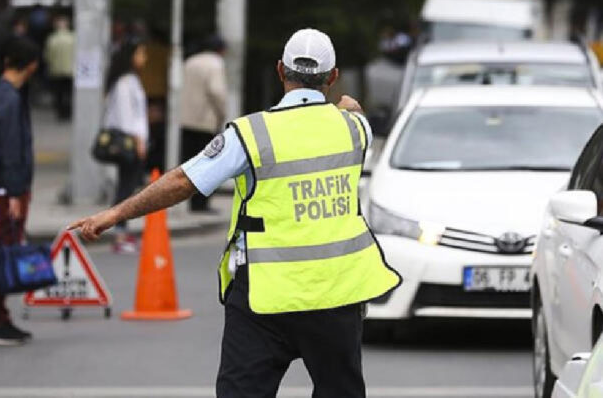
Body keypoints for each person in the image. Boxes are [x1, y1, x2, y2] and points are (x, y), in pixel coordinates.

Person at [68, 28, 401, 397]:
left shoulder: (250, 134)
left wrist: (114, 215)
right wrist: (347, 107)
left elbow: (182, 181)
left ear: (280, 70)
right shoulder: (355, 129)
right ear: (333, 76)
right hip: (338, 294)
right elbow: (350, 111)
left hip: (264, 296)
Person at [0, 37, 40, 346]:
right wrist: (16, 192)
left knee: (5, 247)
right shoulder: (9, 99)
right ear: (31, 66)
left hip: (1, 185)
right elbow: (11, 149)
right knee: (5, 250)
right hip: (7, 187)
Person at [102, 38, 149, 253]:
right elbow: (126, 117)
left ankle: (122, 230)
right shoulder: (124, 83)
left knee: (128, 186)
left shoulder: (130, 80)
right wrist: (138, 141)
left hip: (133, 141)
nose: (144, 58)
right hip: (129, 142)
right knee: (126, 188)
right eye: (140, 53)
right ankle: (119, 233)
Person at [179, 35, 227, 212]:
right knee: (208, 164)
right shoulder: (216, 63)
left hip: (186, 119)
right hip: (206, 121)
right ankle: (202, 204)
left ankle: (191, 201)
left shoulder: (190, 62)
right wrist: (221, 113)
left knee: (191, 163)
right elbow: (216, 91)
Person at [44, 15, 74, 121]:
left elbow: (48, 55)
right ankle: (68, 111)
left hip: (56, 70)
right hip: (71, 70)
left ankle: (61, 112)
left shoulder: (52, 39)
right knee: (69, 92)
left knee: (59, 93)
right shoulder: (73, 38)